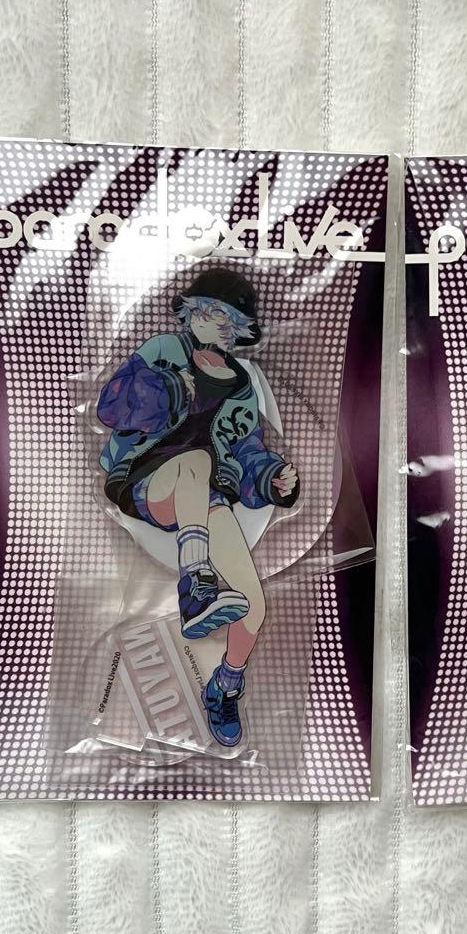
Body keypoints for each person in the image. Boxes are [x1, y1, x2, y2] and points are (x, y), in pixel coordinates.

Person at [97, 267, 299, 745]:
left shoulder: (242, 384)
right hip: (147, 477)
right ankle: (196, 586)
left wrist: (272, 478)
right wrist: (170, 390)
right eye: (211, 314)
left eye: (230, 321)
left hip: (204, 495)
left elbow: (246, 450)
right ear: (191, 313)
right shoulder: (163, 350)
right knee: (194, 462)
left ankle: (224, 686)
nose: (220, 327)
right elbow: (111, 406)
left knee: (253, 604)